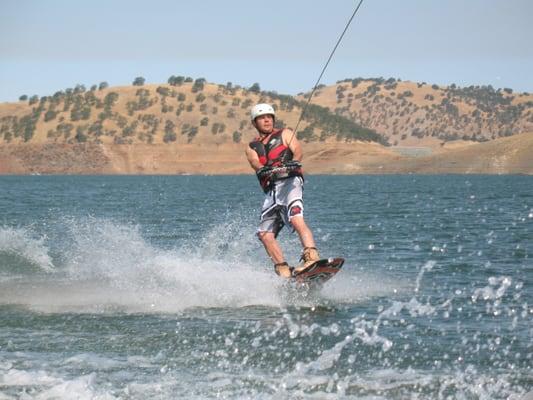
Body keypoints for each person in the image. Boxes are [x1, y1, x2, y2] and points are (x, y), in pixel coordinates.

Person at [245, 103, 320, 278]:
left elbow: (298, 151)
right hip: (272, 191)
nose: (267, 120)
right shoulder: (251, 147)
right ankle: (283, 270)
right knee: (264, 234)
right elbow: (255, 163)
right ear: (255, 122)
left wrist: (294, 161)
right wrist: (261, 169)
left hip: (290, 183)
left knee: (295, 218)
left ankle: (311, 255)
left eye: (269, 117)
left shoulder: (285, 134)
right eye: (262, 118)